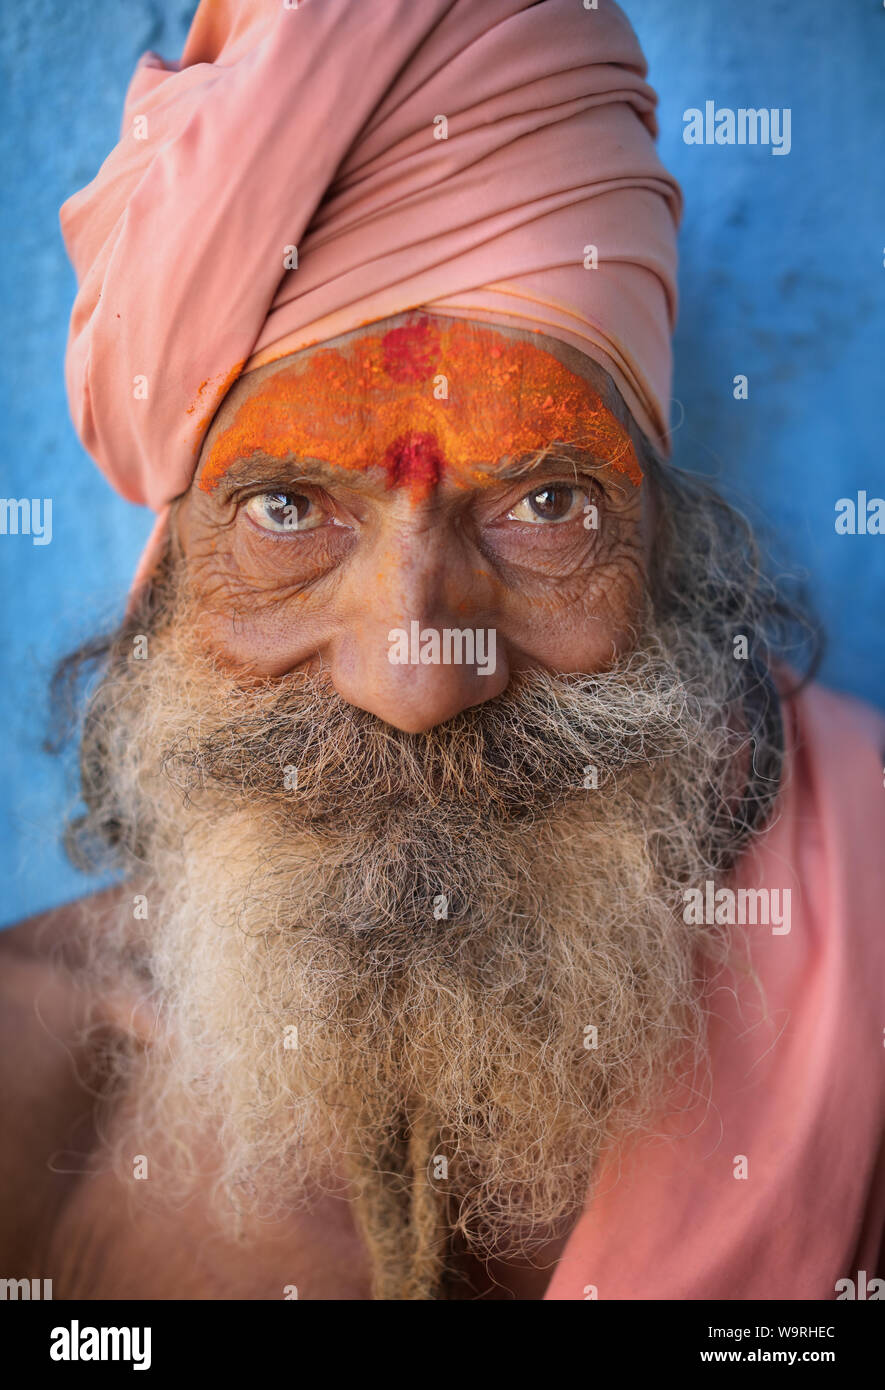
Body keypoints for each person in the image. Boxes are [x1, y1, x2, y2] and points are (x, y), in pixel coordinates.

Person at [1, 0, 882, 1301]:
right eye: (288, 509)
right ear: (168, 571)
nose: (416, 679)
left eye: (543, 504)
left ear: (669, 553)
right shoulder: (33, 1093)